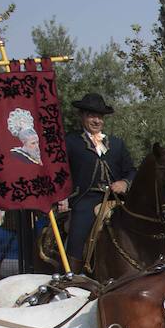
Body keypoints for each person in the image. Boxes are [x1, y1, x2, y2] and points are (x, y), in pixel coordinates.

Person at [63, 92, 134, 271]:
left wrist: (125, 183)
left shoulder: (117, 144)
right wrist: (62, 197)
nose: (96, 120)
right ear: (82, 116)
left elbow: (131, 170)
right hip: (85, 200)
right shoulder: (70, 142)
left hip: (117, 199)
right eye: (92, 116)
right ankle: (71, 274)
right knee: (78, 233)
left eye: (100, 116)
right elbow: (60, 172)